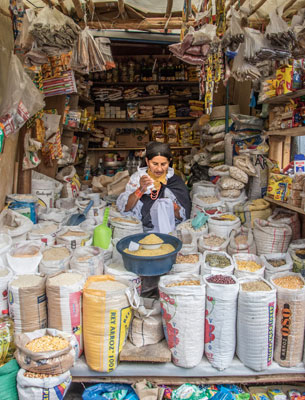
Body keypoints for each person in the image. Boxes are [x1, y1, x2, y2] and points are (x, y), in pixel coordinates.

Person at [116, 142, 191, 232]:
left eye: (163, 164)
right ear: (147, 161)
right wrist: (141, 189)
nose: (159, 169)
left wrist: (173, 207)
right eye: (155, 164)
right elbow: (126, 208)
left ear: (169, 161)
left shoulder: (175, 181)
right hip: (140, 230)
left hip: (169, 230)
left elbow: (185, 215)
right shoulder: (137, 178)